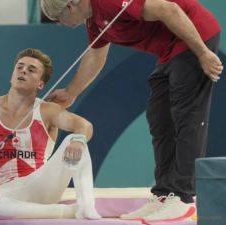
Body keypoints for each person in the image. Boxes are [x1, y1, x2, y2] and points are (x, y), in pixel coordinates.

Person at [40, 0, 223, 222]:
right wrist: (71, 92)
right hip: (170, 51)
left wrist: (203, 53)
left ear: (70, 7)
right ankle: (165, 195)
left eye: (58, 18)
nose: (60, 24)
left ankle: (183, 197)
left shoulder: (107, 2)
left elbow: (169, 9)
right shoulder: (94, 21)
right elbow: (96, 55)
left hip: (194, 36)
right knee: (159, 118)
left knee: (186, 116)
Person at [0, 48, 101, 220]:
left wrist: (77, 140)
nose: (23, 70)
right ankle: (69, 211)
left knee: (75, 140)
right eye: (20, 67)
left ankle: (87, 206)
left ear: (41, 84)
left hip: (42, 187)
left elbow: (85, 126)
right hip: (4, 192)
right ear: (12, 75)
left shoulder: (48, 111)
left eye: (31, 70)